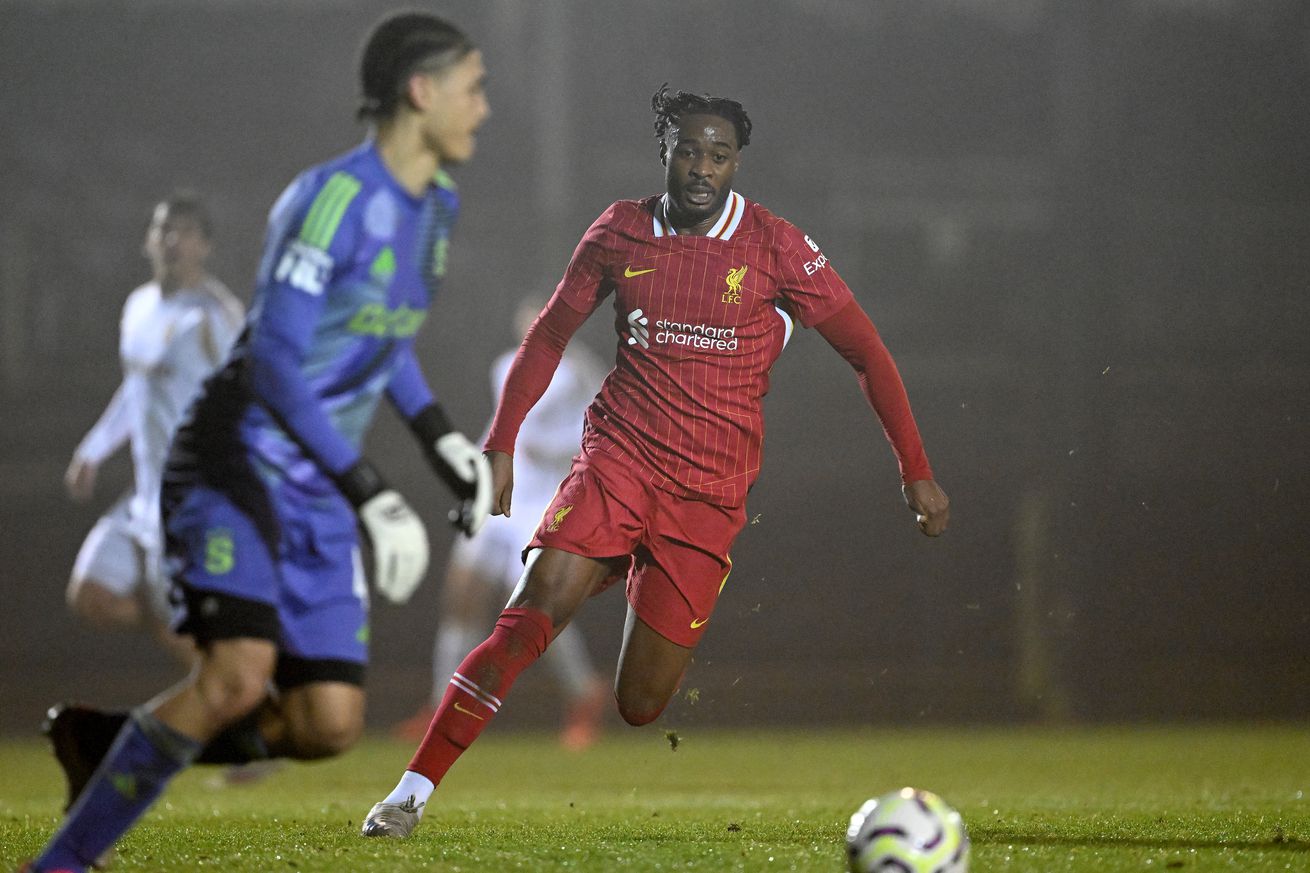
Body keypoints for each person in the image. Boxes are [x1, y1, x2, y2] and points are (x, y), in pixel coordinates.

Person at [360, 85, 950, 838]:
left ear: (736, 163)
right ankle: (407, 795)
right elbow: (548, 336)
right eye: (689, 151)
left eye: (719, 154)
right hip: (619, 461)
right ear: (665, 151)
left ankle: (627, 564)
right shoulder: (621, 230)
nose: (703, 166)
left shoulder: (776, 246)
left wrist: (914, 466)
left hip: (708, 492)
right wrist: (500, 442)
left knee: (640, 704)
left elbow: (867, 351)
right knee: (527, 616)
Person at [27, 11, 493, 872]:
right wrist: (371, 489)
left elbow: (381, 336)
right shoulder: (330, 199)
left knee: (326, 724)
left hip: (317, 485)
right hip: (236, 462)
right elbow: (275, 358)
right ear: (421, 91)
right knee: (237, 679)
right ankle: (58, 864)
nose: (485, 107)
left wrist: (440, 440)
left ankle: (107, 742)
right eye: (473, 87)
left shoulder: (437, 209)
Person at [392, 296, 610, 750]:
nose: (534, 324)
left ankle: (583, 694)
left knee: (535, 609)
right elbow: (499, 427)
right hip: (498, 499)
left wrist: (554, 454)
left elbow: (601, 434)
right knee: (462, 597)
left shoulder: (578, 372)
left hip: (542, 503)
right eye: (529, 316)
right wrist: (471, 481)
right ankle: (441, 703)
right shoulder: (506, 365)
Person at [64, 192, 243, 666]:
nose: (172, 241)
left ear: (205, 246)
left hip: (188, 499)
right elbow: (136, 388)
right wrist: (92, 450)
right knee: (91, 595)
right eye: (163, 230)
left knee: (182, 636)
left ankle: (237, 700)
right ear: (148, 240)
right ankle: (218, 674)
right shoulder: (138, 305)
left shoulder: (214, 315)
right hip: (143, 495)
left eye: (185, 232)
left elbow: (251, 395)